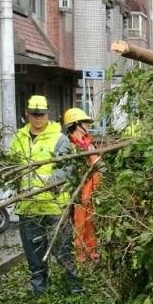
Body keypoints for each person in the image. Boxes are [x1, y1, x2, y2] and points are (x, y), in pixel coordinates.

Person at [9, 95, 83, 294]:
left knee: (63, 251)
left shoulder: (59, 138)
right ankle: (39, 291)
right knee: (34, 255)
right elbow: (13, 166)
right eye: (34, 114)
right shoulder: (18, 138)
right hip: (28, 206)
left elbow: (65, 167)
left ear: (47, 114)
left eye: (41, 114)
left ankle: (75, 289)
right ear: (27, 114)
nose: (38, 118)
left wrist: (49, 186)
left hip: (54, 206)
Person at [63, 107, 101, 261]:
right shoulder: (69, 145)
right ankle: (79, 254)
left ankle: (91, 251)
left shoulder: (88, 142)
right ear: (76, 124)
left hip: (92, 188)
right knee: (79, 222)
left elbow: (98, 163)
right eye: (85, 122)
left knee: (91, 221)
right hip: (79, 190)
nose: (88, 125)